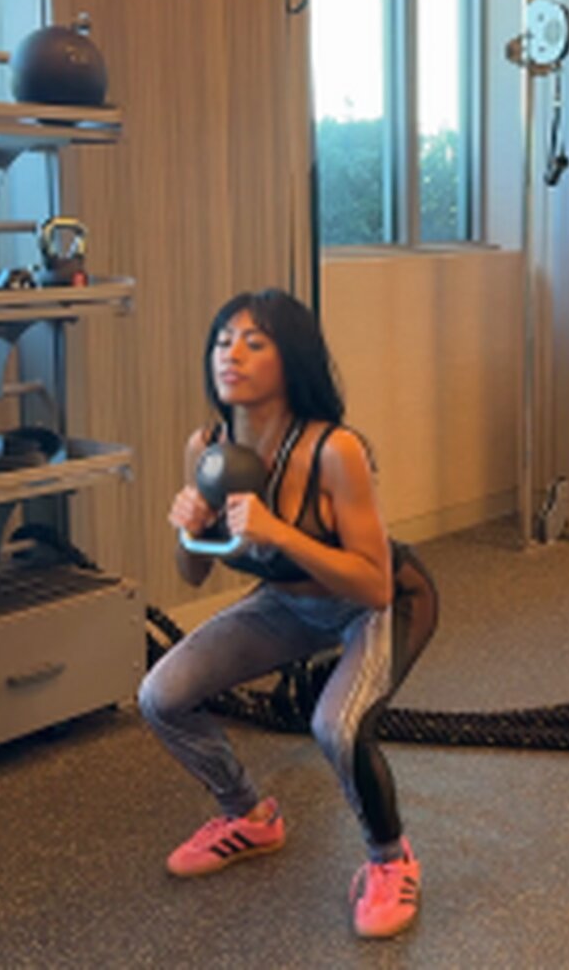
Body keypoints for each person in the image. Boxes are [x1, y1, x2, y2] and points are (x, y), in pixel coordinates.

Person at [138, 288, 437, 940]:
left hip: (374, 603)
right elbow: (193, 571)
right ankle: (248, 816)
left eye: (254, 342)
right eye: (223, 341)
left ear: (290, 357)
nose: (232, 354)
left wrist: (280, 532)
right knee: (161, 694)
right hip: (288, 604)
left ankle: (391, 859)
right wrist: (190, 529)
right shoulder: (207, 446)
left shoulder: (335, 450)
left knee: (336, 725)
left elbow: (374, 584)